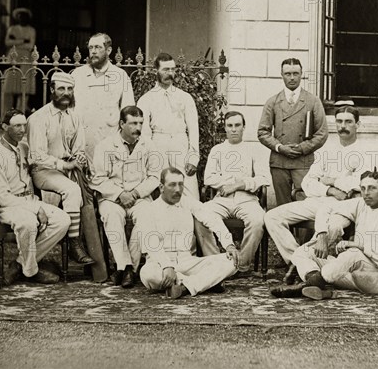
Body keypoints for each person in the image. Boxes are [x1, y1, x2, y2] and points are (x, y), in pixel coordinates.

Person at [264, 102, 366, 283]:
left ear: (357, 125)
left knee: (332, 227)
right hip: (318, 201)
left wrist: (331, 180)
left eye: (348, 122)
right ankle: (296, 262)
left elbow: (359, 185)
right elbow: (307, 183)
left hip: (342, 207)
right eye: (339, 121)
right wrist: (331, 189)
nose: (343, 126)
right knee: (272, 216)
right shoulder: (326, 151)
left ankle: (304, 267)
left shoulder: (365, 152)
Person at [271, 171, 378, 300]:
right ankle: (318, 287)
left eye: (372, 188)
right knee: (304, 251)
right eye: (363, 188)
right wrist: (322, 234)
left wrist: (358, 245)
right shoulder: (361, 204)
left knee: (353, 253)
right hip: (350, 274)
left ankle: (304, 287)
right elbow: (326, 208)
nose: (366, 193)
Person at [0, 109, 70, 285]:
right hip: (9, 206)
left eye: (24, 125)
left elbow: (41, 163)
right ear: (4, 127)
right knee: (27, 223)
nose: (22, 130)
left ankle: (20, 265)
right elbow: (2, 197)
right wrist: (36, 208)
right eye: (17, 125)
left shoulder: (24, 147)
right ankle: (32, 271)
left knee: (63, 220)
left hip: (31, 200)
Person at [139, 167, 240, 299]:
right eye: (172, 185)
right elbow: (151, 245)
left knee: (232, 261)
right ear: (161, 187)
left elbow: (212, 219)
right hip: (159, 264)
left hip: (186, 261)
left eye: (181, 184)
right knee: (148, 274)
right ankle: (205, 282)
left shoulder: (188, 202)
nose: (178, 190)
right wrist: (166, 266)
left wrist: (229, 245)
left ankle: (185, 287)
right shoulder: (148, 210)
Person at [27, 72, 95, 266]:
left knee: (91, 193)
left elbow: (79, 146)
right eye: (61, 89)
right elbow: (38, 155)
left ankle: (92, 254)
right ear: (52, 91)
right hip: (43, 171)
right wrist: (64, 165)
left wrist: (79, 156)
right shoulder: (38, 118)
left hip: (67, 170)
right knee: (72, 190)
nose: (66, 93)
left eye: (70, 89)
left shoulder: (74, 116)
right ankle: (74, 243)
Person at [89, 106, 161, 288]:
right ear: (121, 124)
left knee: (146, 216)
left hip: (139, 197)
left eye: (141, 123)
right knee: (112, 216)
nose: (138, 127)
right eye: (133, 123)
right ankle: (126, 266)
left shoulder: (149, 145)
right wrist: (120, 194)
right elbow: (98, 178)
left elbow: (155, 176)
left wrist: (136, 193)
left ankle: (129, 269)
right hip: (112, 197)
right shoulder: (105, 145)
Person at [198, 111, 270, 273]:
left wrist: (240, 184)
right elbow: (208, 178)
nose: (234, 129)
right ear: (225, 128)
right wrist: (228, 184)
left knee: (258, 220)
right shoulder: (217, 150)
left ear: (244, 127)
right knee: (201, 216)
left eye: (237, 125)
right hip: (222, 199)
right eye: (230, 126)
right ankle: (216, 263)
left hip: (247, 199)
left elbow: (264, 178)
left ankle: (241, 265)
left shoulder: (253, 149)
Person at [257, 58, 328, 206]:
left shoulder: (313, 101)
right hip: (279, 162)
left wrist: (302, 148)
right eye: (287, 73)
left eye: (295, 73)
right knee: (283, 206)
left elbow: (322, 133)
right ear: (281, 75)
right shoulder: (273, 101)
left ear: (301, 74)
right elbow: (263, 132)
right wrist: (280, 147)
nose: (292, 78)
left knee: (306, 205)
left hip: (303, 162)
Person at [137, 53, 200, 200]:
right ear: (156, 71)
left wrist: (193, 158)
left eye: (172, 69)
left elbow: (193, 130)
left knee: (189, 191)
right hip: (158, 145)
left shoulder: (185, 97)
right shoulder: (146, 99)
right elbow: (144, 134)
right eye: (165, 70)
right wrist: (150, 158)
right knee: (162, 191)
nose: (170, 73)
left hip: (181, 144)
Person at [73, 33, 135, 162]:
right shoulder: (77, 75)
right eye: (91, 48)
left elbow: (128, 113)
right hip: (81, 143)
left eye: (97, 47)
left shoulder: (120, 76)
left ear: (109, 50)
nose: (93, 52)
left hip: (109, 143)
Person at [4, 8, 36, 109]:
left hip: (25, 58)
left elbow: (30, 46)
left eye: (24, 17)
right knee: (10, 86)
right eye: (20, 17)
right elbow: (7, 42)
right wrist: (23, 40)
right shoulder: (12, 29)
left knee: (23, 86)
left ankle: (20, 110)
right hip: (13, 57)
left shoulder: (31, 30)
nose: (22, 19)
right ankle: (7, 112)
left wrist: (16, 41)